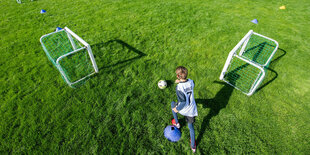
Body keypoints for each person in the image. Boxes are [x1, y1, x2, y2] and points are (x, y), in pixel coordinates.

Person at [171, 66, 198, 153]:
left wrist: (177, 109)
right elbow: (191, 85)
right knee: (191, 128)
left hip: (183, 109)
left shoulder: (179, 87)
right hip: (191, 110)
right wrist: (181, 81)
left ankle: (177, 123)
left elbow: (183, 102)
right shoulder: (191, 81)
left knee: (172, 104)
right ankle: (193, 146)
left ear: (178, 76)